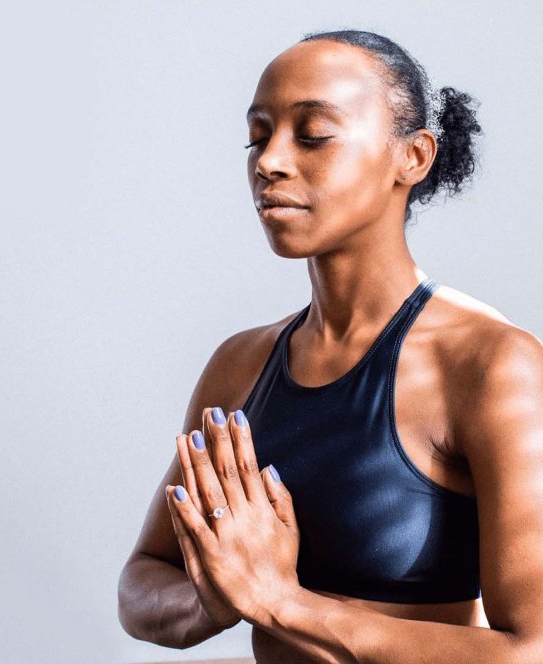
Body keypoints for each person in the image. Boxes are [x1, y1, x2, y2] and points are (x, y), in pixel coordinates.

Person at [117, 29, 543, 663]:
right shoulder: (240, 366)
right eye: (257, 137)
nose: (270, 161)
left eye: (312, 134)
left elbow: (528, 649)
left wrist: (281, 603)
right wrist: (215, 598)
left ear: (414, 157)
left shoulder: (490, 366)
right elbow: (142, 580)